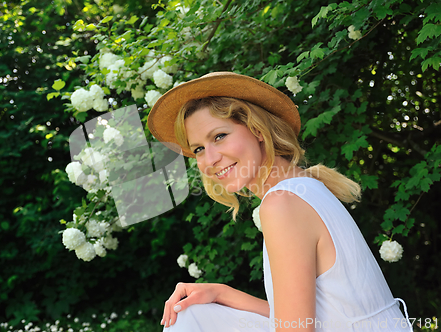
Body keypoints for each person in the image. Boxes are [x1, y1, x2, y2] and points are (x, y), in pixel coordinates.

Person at [147, 72, 413, 332]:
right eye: (198, 149)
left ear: (256, 129)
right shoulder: (304, 188)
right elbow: (309, 319)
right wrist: (221, 292)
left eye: (219, 136)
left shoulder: (283, 203)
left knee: (188, 319)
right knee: (194, 313)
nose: (210, 158)